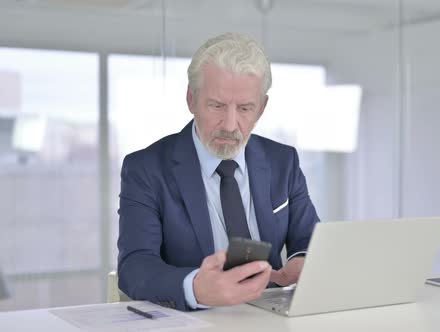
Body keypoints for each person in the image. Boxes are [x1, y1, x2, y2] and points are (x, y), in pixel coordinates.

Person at [117, 32, 320, 311]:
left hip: (271, 317)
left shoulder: (283, 161)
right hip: (193, 320)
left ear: (262, 108)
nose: (230, 124)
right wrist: (196, 288)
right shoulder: (146, 169)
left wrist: (302, 262)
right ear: (191, 100)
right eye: (216, 105)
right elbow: (135, 266)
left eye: (246, 108)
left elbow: (309, 240)